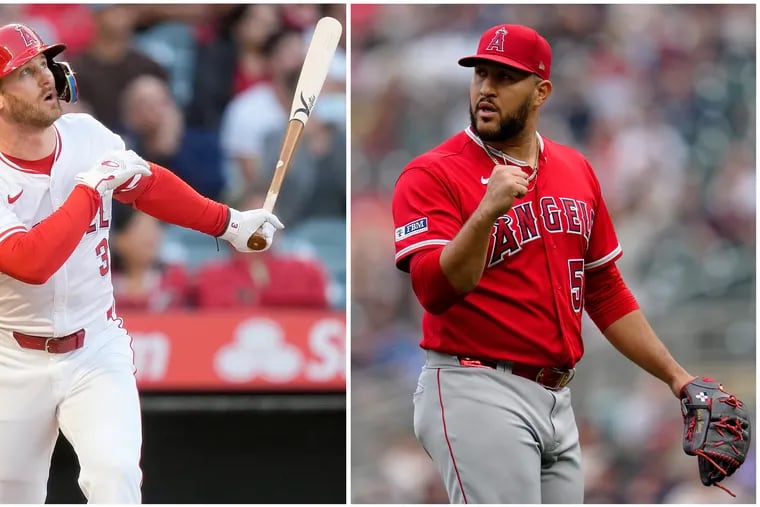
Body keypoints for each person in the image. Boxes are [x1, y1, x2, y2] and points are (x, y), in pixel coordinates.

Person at [391, 24, 749, 504]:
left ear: (542, 92)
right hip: (475, 385)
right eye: (480, 74)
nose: (487, 89)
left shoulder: (574, 169)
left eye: (505, 77)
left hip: (558, 397)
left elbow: (604, 289)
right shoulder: (433, 173)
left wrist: (676, 376)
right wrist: (483, 215)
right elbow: (433, 289)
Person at [0, 23, 282, 503]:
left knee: (115, 478)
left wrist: (230, 224)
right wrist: (90, 190)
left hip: (96, 348)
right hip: (11, 356)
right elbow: (31, 261)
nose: (47, 77)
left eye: (45, 64)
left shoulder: (86, 135)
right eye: (25, 72)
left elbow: (148, 184)